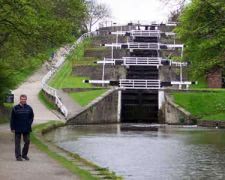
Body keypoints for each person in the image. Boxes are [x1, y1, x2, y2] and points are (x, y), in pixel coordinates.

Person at [10, 94, 34, 161]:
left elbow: (31, 117)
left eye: (24, 99)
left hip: (26, 128)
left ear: (26, 100)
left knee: (27, 141)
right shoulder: (15, 108)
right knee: (17, 143)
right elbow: (12, 118)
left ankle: (24, 155)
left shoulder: (29, 108)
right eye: (22, 99)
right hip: (17, 128)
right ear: (20, 99)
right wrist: (12, 128)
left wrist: (29, 123)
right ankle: (18, 156)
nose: (23, 100)